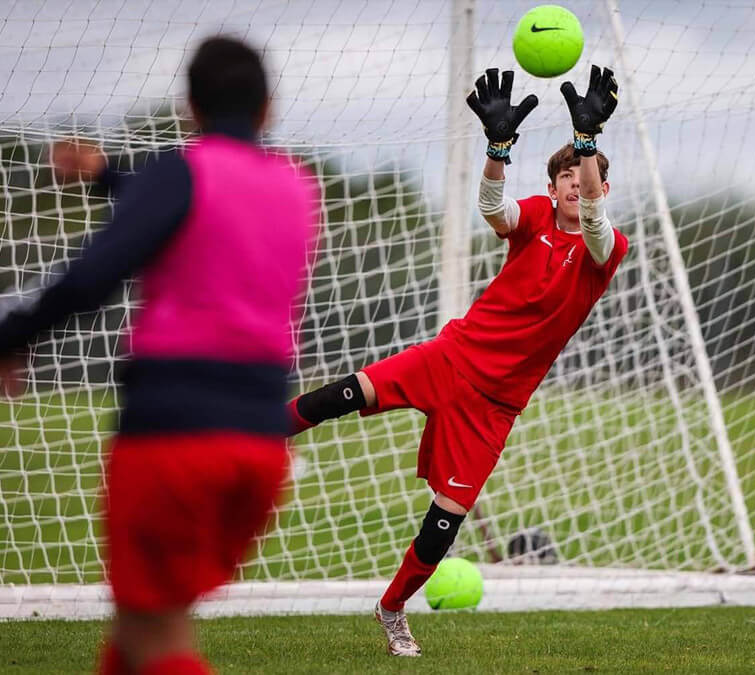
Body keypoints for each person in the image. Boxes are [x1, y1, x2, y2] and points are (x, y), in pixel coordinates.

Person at [0, 37, 317, 674]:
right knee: (139, 632)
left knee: (156, 635)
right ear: (268, 108)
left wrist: (14, 339)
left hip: (175, 436)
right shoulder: (296, 186)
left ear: (190, 106)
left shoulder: (183, 170)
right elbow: (200, 205)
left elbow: (95, 275)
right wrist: (107, 175)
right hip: (259, 445)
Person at [287, 65, 625, 657]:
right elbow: (494, 209)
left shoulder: (606, 246)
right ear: (552, 188)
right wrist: (497, 149)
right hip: (451, 356)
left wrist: (589, 141)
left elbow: (596, 225)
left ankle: (391, 610)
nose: (576, 183)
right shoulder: (536, 217)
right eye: (566, 175)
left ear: (599, 187)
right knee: (339, 395)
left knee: (444, 521)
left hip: (495, 406)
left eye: (584, 176)